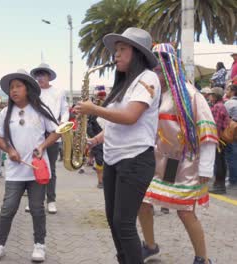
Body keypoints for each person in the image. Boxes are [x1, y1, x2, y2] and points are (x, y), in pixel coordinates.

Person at [74, 27, 160, 264]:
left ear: (138, 53)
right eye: (116, 50)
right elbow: (114, 125)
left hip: (135, 160)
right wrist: (93, 140)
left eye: (123, 50)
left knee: (123, 223)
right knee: (114, 221)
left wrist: (93, 109)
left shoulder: (147, 78)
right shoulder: (124, 84)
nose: (116, 55)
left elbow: (131, 117)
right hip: (113, 159)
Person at [138, 43, 216, 264]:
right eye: (154, 70)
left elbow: (206, 128)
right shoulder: (153, 95)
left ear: (171, 68)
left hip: (183, 163)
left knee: (184, 211)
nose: (157, 74)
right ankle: (150, 246)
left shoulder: (190, 95)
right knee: (143, 203)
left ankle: (203, 258)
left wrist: (206, 166)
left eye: (161, 70)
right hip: (156, 161)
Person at [0, 69, 59, 263]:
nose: (14, 90)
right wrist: (9, 150)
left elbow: (56, 132)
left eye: (18, 86)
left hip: (37, 169)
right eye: (12, 87)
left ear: (28, 89)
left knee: (37, 208)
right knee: (8, 208)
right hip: (15, 170)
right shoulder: (4, 112)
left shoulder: (41, 110)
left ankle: (39, 246)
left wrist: (42, 146)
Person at [29, 63, 69, 214]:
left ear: (48, 77)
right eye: (38, 75)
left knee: (50, 169)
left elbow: (65, 110)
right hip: (36, 134)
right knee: (35, 166)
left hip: (52, 133)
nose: (40, 78)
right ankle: (35, 200)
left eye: (43, 75)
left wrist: (63, 123)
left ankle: (51, 200)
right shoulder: (33, 93)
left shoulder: (59, 92)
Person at [208, 87, 230, 194]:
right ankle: (220, 185)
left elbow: (216, 125)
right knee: (221, 161)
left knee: (218, 162)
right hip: (222, 139)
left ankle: (219, 185)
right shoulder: (221, 106)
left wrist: (214, 139)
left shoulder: (217, 107)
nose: (209, 96)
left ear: (215, 96)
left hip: (218, 139)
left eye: (211, 94)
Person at [224, 84, 237, 189]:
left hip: (232, 131)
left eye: (227, 89)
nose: (226, 91)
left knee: (231, 155)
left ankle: (232, 179)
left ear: (232, 91)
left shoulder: (229, 103)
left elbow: (224, 116)